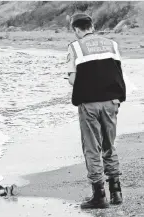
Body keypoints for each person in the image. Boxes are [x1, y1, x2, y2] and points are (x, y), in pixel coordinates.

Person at [66, 13, 126, 209]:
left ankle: (99, 196)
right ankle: (116, 193)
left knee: (92, 148)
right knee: (110, 144)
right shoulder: (112, 44)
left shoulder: (75, 47)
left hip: (89, 104)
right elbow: (117, 72)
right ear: (92, 26)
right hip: (111, 102)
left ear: (76, 29)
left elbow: (74, 80)